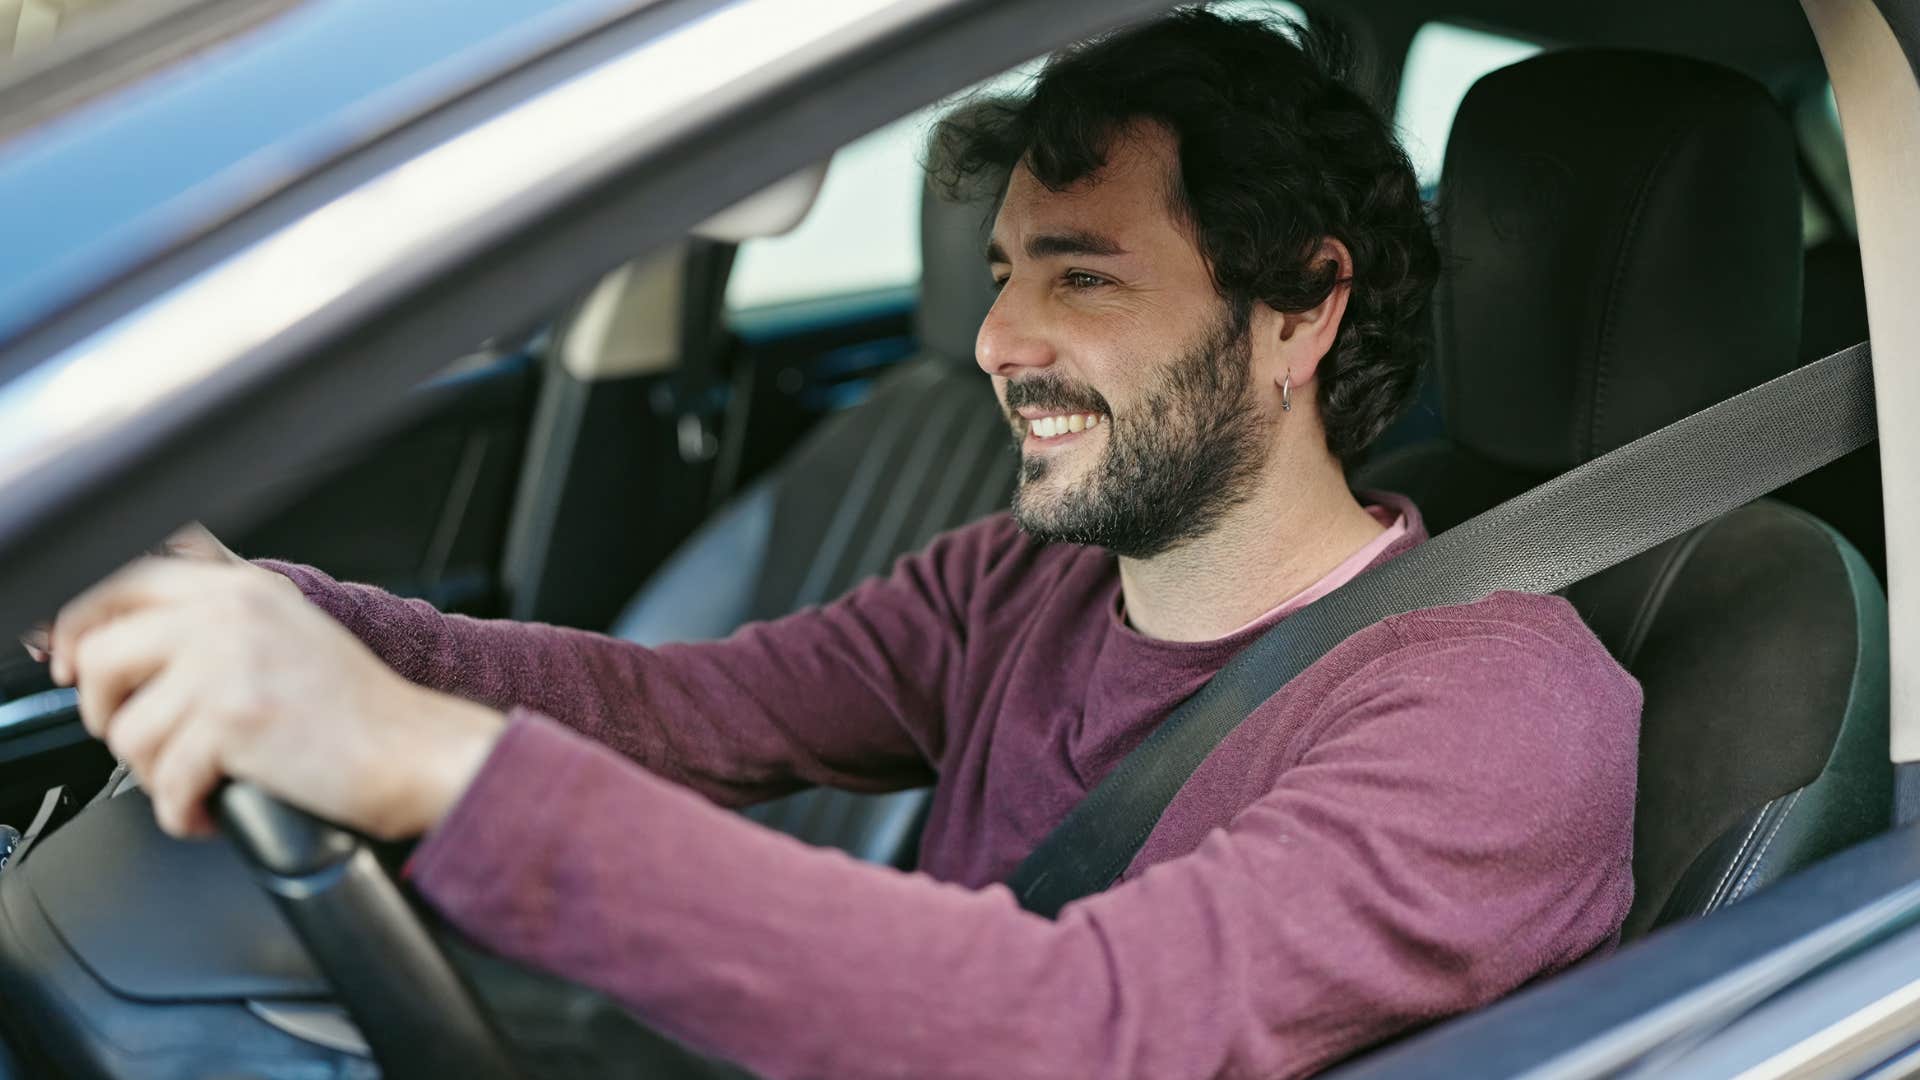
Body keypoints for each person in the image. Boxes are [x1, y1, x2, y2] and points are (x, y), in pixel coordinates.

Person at [30, 10, 1640, 1079]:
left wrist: (423, 767)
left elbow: (1095, 1028)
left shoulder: (1496, 713)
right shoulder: (1021, 579)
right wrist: (279, 618)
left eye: (1080, 277)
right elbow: (687, 714)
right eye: (1004, 271)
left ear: (1300, 309)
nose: (997, 335)